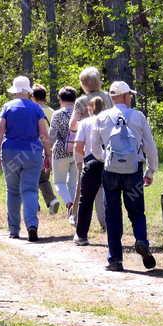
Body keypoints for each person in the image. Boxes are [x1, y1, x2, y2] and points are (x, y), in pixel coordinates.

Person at [89, 80, 158, 271]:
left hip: (110, 171)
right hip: (133, 170)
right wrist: (151, 170)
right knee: (136, 211)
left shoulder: (101, 117)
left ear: (112, 98)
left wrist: (106, 159)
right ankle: (142, 240)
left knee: (112, 213)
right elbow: (149, 146)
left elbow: (94, 148)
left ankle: (115, 259)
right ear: (126, 96)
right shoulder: (138, 116)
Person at [0, 75, 53, 241]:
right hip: (32, 153)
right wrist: (48, 154)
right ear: (28, 91)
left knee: (12, 191)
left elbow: (0, 132)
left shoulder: (7, 107)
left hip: (11, 152)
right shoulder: (36, 109)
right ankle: (32, 225)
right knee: (30, 190)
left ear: (15, 91)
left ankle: (14, 230)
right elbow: (44, 134)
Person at [72, 94, 107, 244]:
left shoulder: (85, 123)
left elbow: (78, 145)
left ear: (90, 109)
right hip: (109, 161)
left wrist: (80, 162)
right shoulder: (109, 121)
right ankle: (111, 229)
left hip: (91, 161)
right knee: (110, 199)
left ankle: (81, 235)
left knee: (85, 200)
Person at [49, 86, 78, 217]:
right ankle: (74, 212)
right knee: (73, 183)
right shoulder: (80, 113)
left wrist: (46, 150)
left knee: (59, 182)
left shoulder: (57, 114)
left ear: (60, 99)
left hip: (61, 150)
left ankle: (69, 203)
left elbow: (52, 135)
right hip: (78, 150)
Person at [32, 84, 60, 215]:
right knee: (43, 179)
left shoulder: (32, 110)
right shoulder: (52, 111)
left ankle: (33, 204)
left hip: (34, 147)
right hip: (50, 149)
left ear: (33, 96)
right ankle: (52, 201)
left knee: (29, 177)